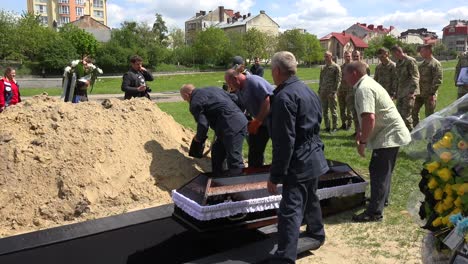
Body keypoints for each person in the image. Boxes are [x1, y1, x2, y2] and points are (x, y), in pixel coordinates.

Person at [267, 51, 329, 263]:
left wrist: (276, 175)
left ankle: (285, 257)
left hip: (299, 161)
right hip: (314, 156)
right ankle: (316, 233)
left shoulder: (284, 97)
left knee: (290, 210)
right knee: (311, 198)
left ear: (276, 71)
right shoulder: (307, 90)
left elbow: (284, 141)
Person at [343, 61, 411, 222]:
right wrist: (360, 132)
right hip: (390, 133)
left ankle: (374, 212)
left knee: (378, 171)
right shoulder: (366, 83)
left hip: (388, 135)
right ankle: (380, 200)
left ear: (354, 73)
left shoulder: (364, 88)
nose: (344, 78)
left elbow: (369, 117)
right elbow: (366, 116)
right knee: (383, 171)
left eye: (345, 74)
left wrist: (363, 141)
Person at [180, 84, 247, 177]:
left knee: (234, 158)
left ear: (187, 95)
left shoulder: (195, 103)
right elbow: (235, 98)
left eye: (184, 98)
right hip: (229, 125)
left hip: (232, 128)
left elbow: (203, 125)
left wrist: (198, 139)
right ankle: (219, 179)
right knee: (217, 153)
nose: (185, 100)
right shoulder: (213, 88)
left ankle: (240, 184)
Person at [224, 69, 273, 168]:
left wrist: (257, 121)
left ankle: (279, 177)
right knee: (254, 150)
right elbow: (241, 106)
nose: (230, 86)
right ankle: (254, 174)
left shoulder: (253, 81)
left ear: (235, 78)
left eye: (230, 83)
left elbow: (268, 100)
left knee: (280, 150)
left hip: (275, 120)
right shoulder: (239, 90)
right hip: (261, 123)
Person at [391, 45, 420, 131]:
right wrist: (395, 92)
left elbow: (415, 76)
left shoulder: (410, 61)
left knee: (407, 115)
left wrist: (412, 92)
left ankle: (411, 134)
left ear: (398, 52)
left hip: (408, 93)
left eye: (393, 54)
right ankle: (403, 134)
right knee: (399, 115)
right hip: (400, 93)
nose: (393, 56)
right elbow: (398, 78)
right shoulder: (398, 63)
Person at [413, 44, 443, 127]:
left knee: (429, 116)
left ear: (428, 51)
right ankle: (417, 131)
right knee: (413, 111)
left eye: (422, 51)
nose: (420, 53)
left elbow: (438, 79)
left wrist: (432, 93)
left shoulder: (435, 64)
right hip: (419, 94)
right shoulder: (422, 64)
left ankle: (431, 135)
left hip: (429, 95)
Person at [318, 51, 341, 133]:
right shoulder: (323, 68)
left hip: (331, 93)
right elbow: (321, 79)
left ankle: (335, 127)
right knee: (324, 111)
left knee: (333, 110)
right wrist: (320, 89)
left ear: (331, 57)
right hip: (323, 92)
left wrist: (334, 91)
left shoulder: (336, 67)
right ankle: (327, 126)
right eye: (325, 56)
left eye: (327, 56)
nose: (326, 58)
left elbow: (338, 81)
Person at [338, 51, 352, 130]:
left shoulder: (353, 67)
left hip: (350, 91)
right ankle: (343, 124)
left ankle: (349, 125)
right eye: (346, 56)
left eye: (349, 56)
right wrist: (338, 90)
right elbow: (339, 79)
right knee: (342, 108)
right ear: (344, 57)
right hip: (342, 90)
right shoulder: (341, 67)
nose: (347, 58)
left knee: (349, 109)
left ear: (351, 57)